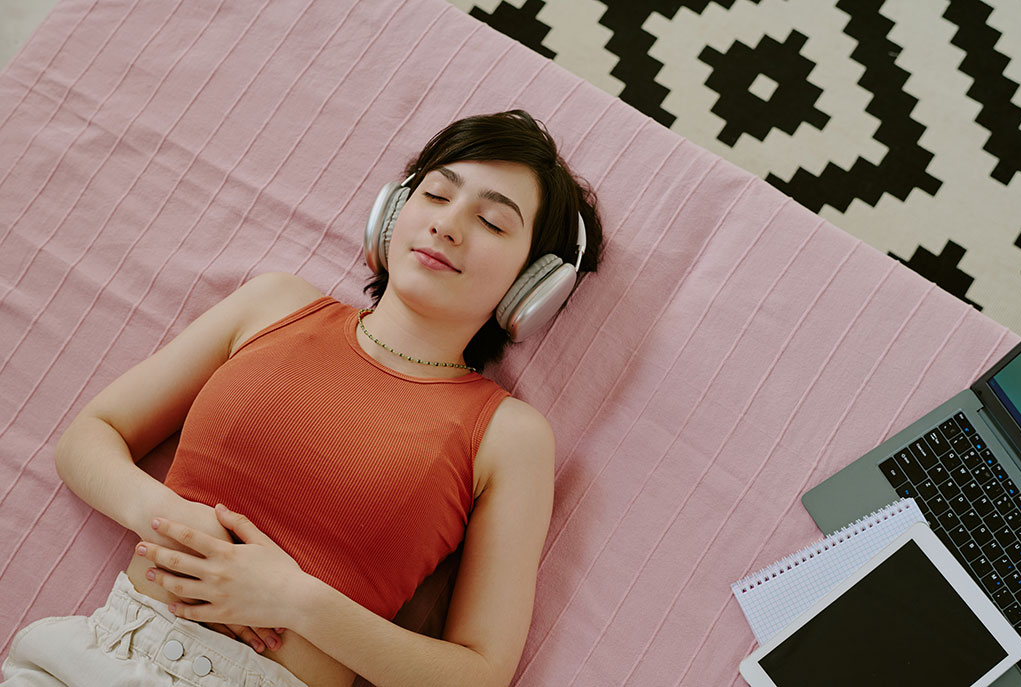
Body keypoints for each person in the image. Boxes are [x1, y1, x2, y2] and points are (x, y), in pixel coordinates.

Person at [1, 110, 603, 687]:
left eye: (494, 223)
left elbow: (478, 674)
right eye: (436, 195)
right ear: (393, 211)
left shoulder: (509, 435)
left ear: (535, 285)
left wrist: (296, 601)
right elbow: (90, 435)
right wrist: (172, 519)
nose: (447, 225)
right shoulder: (275, 305)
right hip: (100, 656)